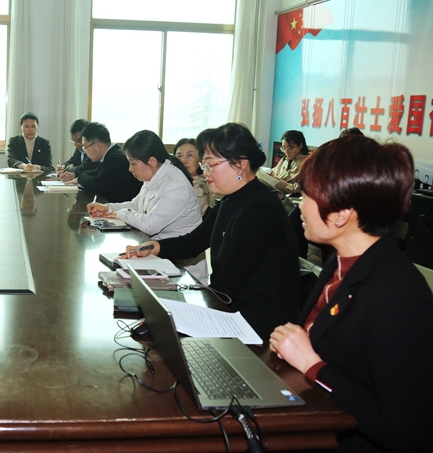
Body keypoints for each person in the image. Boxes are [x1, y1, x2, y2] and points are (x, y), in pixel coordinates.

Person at [270, 136, 433, 453]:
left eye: (307, 196)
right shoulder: (341, 262)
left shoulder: (399, 298)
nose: (300, 205)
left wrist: (314, 366)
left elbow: (402, 432)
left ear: (342, 214)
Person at [123, 123, 301, 340]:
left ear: (240, 164)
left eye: (210, 164)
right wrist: (153, 247)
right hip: (232, 311)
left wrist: (182, 313)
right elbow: (194, 242)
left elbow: (225, 287)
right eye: (204, 165)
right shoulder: (231, 200)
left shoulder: (260, 210)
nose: (205, 172)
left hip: (260, 327)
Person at [87, 130, 208, 284]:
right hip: (159, 256)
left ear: (151, 161)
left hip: (183, 270)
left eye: (133, 163)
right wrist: (108, 208)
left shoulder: (176, 185)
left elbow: (149, 225)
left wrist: (120, 214)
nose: (130, 169)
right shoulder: (154, 175)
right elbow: (136, 204)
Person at [65, 122, 142, 203]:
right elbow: (97, 172)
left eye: (85, 147)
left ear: (98, 146)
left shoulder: (115, 158)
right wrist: (75, 175)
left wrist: (80, 178)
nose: (85, 151)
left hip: (126, 207)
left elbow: (98, 184)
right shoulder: (110, 153)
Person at [259, 130, 308, 198]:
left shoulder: (307, 164)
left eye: (290, 148)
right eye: (283, 148)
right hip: (272, 191)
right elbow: (274, 172)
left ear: (300, 146)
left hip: (285, 197)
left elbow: (301, 188)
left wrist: (280, 184)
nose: (286, 152)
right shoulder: (284, 159)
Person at [174, 138, 211, 214]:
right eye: (179, 156)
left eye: (190, 155)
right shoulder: (175, 179)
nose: (183, 160)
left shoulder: (200, 185)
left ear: (200, 158)